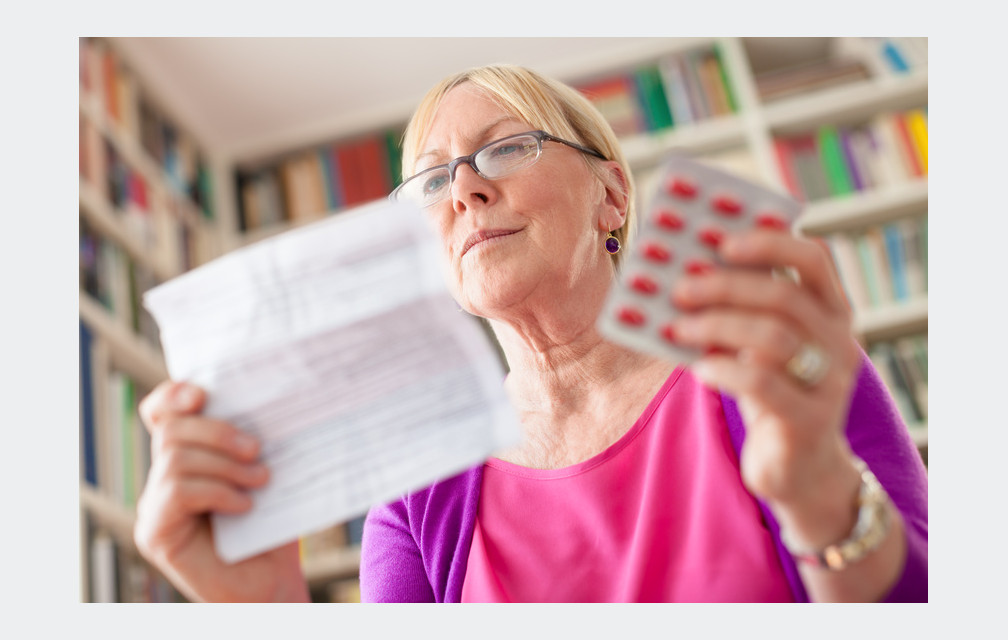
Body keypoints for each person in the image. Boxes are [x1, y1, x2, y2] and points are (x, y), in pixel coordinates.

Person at [133, 64, 928, 603]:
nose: (466, 189)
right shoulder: (416, 490)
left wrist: (823, 497)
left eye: (506, 147)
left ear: (611, 195)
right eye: (433, 179)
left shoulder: (772, 372)